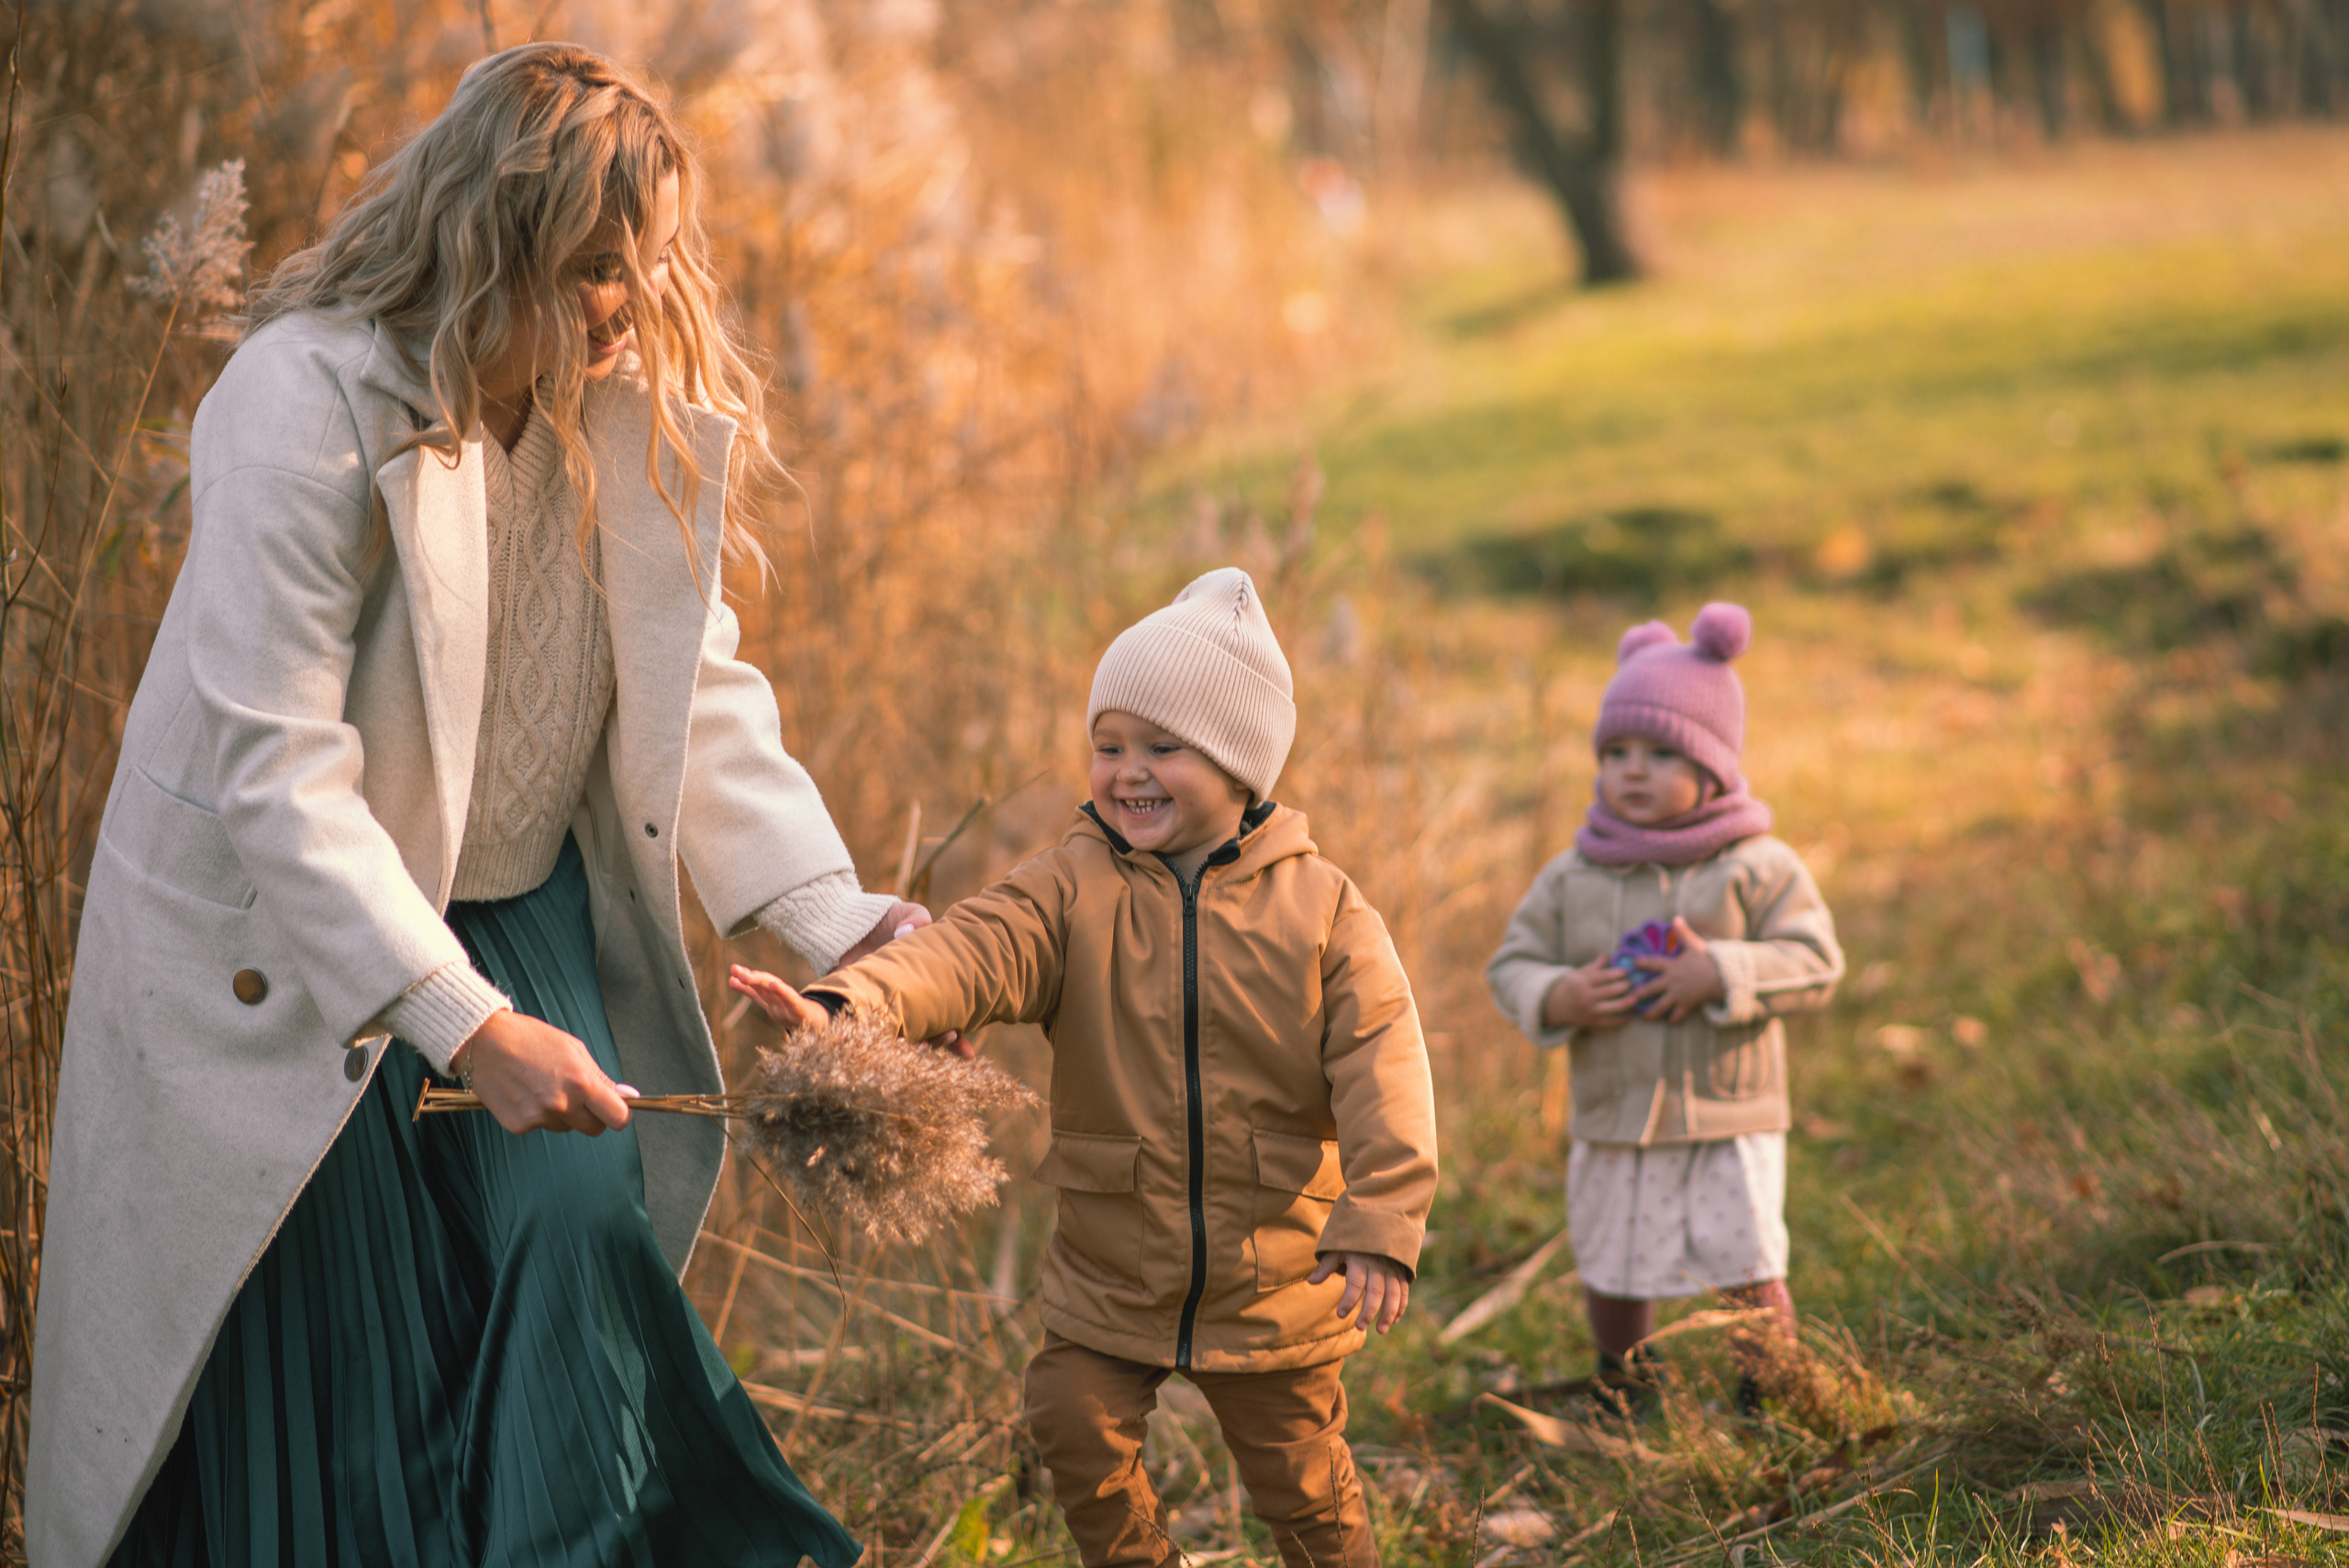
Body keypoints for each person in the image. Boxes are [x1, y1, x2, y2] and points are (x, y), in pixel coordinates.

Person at [28, 44, 921, 1567]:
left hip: (522, 906)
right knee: (348, 1368)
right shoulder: (301, 398)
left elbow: (695, 691)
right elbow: (277, 770)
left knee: (576, 1228)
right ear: (483, 237)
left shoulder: (618, 411)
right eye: (585, 269)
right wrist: (471, 1023)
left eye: (638, 266)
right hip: (297, 944)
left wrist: (844, 917)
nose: (622, 307)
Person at [730, 568, 1439, 1568]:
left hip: (1279, 1260)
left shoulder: (1322, 909)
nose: (1125, 772)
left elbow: (1384, 1061)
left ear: (1242, 764)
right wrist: (853, 1004)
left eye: (1162, 746)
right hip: (1114, 1259)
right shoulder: (1070, 885)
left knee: (1304, 1484)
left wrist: (1381, 1217)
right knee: (1072, 1421)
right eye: (1107, 745)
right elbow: (968, 948)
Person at [1485, 603, 1842, 1416]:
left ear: (1714, 766)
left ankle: (1771, 1384)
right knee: (1614, 1255)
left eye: (1659, 752)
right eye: (1615, 752)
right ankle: (1624, 1379)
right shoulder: (1575, 874)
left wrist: (1721, 972)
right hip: (1617, 1113)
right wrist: (1559, 993)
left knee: (1745, 1255)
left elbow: (1817, 961)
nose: (1632, 770)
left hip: (1727, 1112)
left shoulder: (1755, 865)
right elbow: (1513, 963)